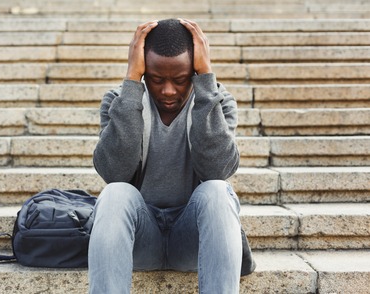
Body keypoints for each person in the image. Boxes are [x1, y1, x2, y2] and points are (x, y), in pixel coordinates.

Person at [88, 18, 254, 293]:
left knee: (217, 191)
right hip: (139, 240)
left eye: (179, 80)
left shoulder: (217, 100)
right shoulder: (119, 101)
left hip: (193, 240)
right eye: (155, 79)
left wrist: (206, 82)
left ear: (194, 71)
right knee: (115, 193)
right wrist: (131, 82)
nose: (167, 90)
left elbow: (217, 169)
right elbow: (113, 171)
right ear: (143, 70)